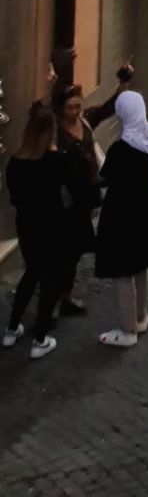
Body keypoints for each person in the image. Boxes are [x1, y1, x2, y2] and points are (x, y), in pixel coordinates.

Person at [95, 90, 148, 350]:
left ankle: (128, 330)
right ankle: (141, 317)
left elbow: (104, 177)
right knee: (141, 266)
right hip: (145, 213)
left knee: (123, 272)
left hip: (122, 217)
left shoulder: (120, 149)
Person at [2, 103, 67, 359]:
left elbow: (15, 197)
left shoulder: (15, 162)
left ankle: (11, 329)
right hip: (50, 224)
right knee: (49, 280)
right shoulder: (54, 161)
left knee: (31, 273)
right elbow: (65, 188)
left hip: (26, 224)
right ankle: (40, 339)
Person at [53, 85, 104, 317]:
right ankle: (54, 301)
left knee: (74, 252)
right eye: (70, 107)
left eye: (77, 106)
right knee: (62, 252)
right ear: (61, 108)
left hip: (83, 199)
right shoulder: (55, 131)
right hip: (64, 202)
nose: (74, 111)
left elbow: (105, 110)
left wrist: (123, 85)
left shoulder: (84, 122)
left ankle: (65, 296)